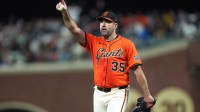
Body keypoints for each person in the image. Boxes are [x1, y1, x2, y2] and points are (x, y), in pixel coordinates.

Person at [56, 0, 155, 112]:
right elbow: (74, 29)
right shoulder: (94, 42)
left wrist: (147, 95)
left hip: (118, 93)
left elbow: (138, 71)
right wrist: (64, 12)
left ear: (115, 25)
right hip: (98, 93)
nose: (103, 24)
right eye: (101, 21)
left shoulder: (126, 44)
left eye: (107, 22)